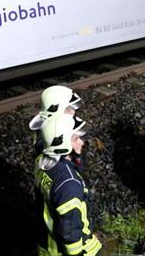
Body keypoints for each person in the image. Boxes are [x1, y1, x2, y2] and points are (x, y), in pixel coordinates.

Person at [34, 113, 102, 256]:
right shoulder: (69, 184)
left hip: (47, 245)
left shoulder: (43, 161)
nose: (82, 142)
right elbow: (69, 231)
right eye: (76, 138)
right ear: (61, 144)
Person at [29, 85, 82, 154]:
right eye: (68, 109)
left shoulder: (52, 125)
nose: (73, 112)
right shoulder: (48, 137)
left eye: (72, 108)